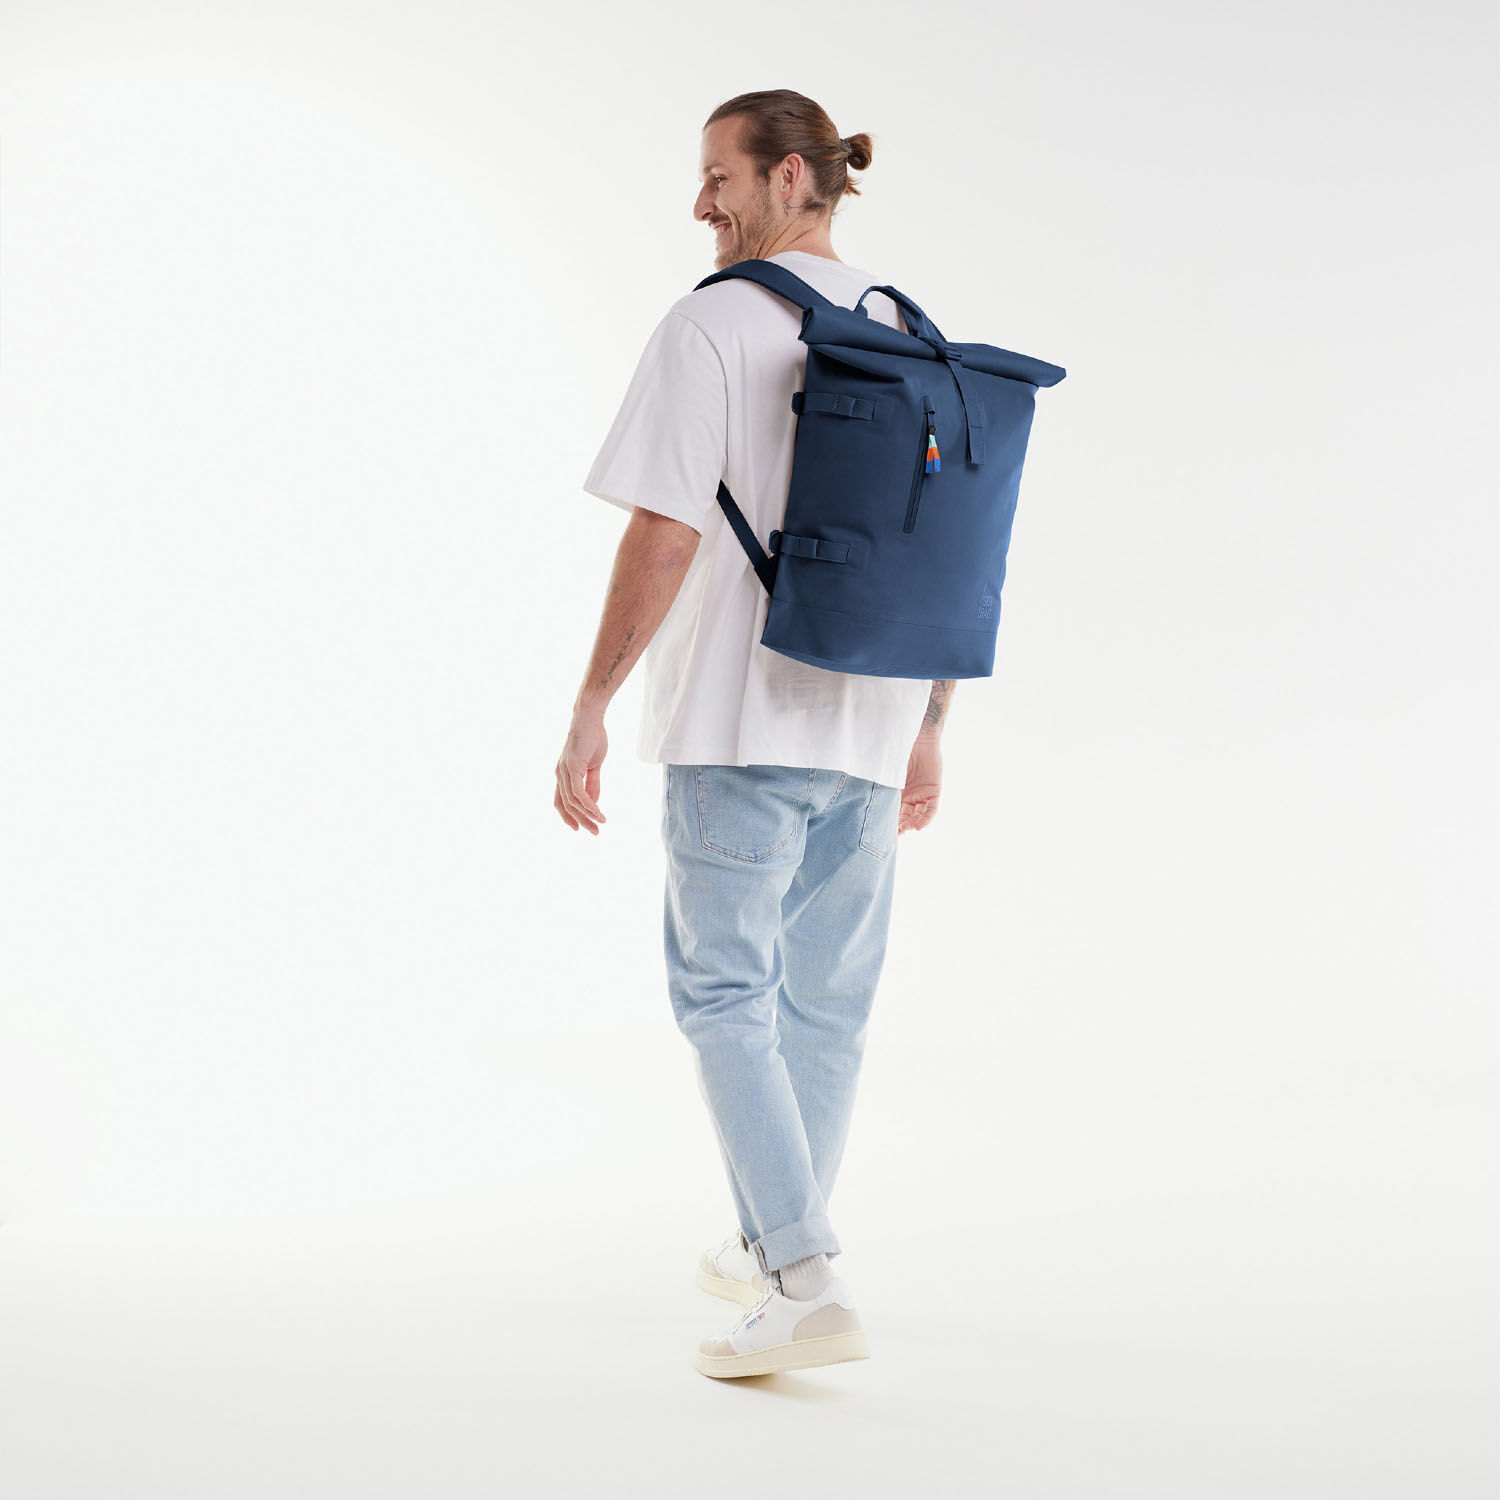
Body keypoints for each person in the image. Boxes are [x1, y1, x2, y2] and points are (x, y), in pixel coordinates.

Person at [553, 89, 954, 1379]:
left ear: (788, 178)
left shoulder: (712, 323)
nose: (700, 205)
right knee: (822, 1006)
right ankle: (769, 1244)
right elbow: (949, 551)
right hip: (875, 722)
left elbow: (666, 529)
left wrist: (594, 699)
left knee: (724, 995)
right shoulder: (909, 329)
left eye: (717, 177)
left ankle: (804, 1276)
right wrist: (931, 725)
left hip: (740, 718)